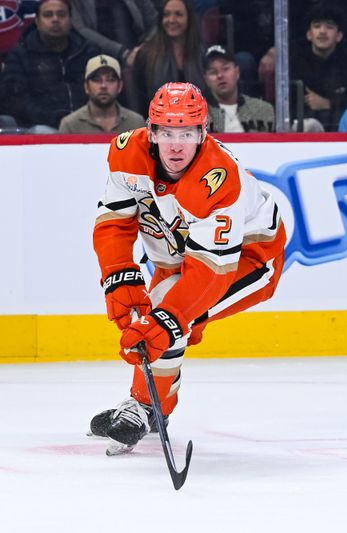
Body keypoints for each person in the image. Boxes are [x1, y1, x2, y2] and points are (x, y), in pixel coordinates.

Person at [88, 82, 286, 454]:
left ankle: (148, 407)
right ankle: (148, 402)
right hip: (176, 255)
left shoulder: (219, 178)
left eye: (186, 133)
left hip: (250, 258)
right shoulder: (127, 153)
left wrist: (171, 316)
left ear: (203, 132)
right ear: (151, 131)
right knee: (158, 312)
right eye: (166, 132)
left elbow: (211, 270)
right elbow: (115, 222)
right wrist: (118, 276)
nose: (176, 144)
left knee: (168, 314)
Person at [0, 0, 100, 130]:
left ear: (70, 20)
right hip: (40, 126)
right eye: (48, 15)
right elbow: (16, 101)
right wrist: (54, 118)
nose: (55, 19)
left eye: (61, 15)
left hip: (86, 123)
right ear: (37, 21)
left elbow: (101, 91)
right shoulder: (21, 53)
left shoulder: (88, 51)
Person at [290, 5, 347, 131]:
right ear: (309, 34)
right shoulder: (294, 63)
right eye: (317, 26)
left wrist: (329, 103)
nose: (322, 31)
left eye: (329, 27)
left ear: (339, 36)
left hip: (343, 129)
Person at [131, 0, 207, 114]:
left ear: (189, 19)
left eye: (178, 14)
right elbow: (140, 99)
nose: (171, 20)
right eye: (166, 14)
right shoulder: (145, 55)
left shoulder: (203, 53)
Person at [59, 54, 146, 133]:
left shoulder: (136, 123)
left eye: (111, 80)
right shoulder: (70, 125)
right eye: (96, 80)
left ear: (120, 86)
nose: (103, 86)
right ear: (86, 87)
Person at [203, 45, 275, 133]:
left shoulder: (263, 110)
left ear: (237, 72)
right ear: (206, 80)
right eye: (213, 72)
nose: (220, 75)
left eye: (225, 69)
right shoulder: (195, 116)